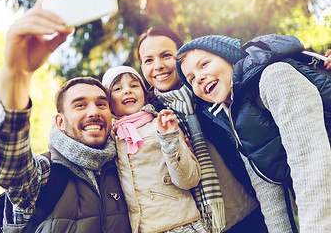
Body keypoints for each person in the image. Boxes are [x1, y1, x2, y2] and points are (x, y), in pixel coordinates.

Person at [0, 0, 131, 232]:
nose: (94, 111)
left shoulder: (126, 169)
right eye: (80, 105)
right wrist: (18, 74)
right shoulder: (45, 174)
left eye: (102, 103)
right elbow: (10, 168)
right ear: (60, 122)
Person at [175, 34, 331, 232]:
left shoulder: (274, 76)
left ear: (228, 58)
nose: (199, 78)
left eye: (204, 64)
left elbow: (310, 160)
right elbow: (268, 189)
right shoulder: (232, 114)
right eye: (191, 79)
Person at [137, 27, 268, 233]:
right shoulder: (147, 116)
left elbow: (255, 68)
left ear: (180, 58)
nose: (158, 66)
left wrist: (314, 63)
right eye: (148, 60)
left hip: (252, 205)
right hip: (203, 224)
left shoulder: (211, 89)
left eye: (166, 56)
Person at [101, 66, 207, 233]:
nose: (127, 91)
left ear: (145, 93)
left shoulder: (162, 125)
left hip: (181, 224)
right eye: (118, 88)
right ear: (109, 103)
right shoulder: (110, 138)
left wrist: (170, 140)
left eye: (134, 85)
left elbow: (189, 180)